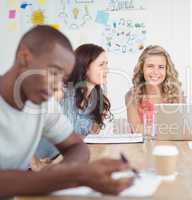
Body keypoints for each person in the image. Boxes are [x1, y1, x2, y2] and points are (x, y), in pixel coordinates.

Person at [0, 25, 133, 199]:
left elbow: (77, 146)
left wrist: (63, 173)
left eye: (63, 78)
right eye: (53, 72)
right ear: (24, 57)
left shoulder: (43, 104)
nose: (58, 86)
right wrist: (71, 176)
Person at [125, 45, 184, 134]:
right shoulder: (131, 96)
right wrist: (167, 129)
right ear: (142, 69)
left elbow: (182, 127)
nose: (155, 72)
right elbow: (137, 129)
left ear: (167, 70)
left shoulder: (176, 94)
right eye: (150, 66)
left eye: (161, 67)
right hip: (142, 147)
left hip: (170, 146)